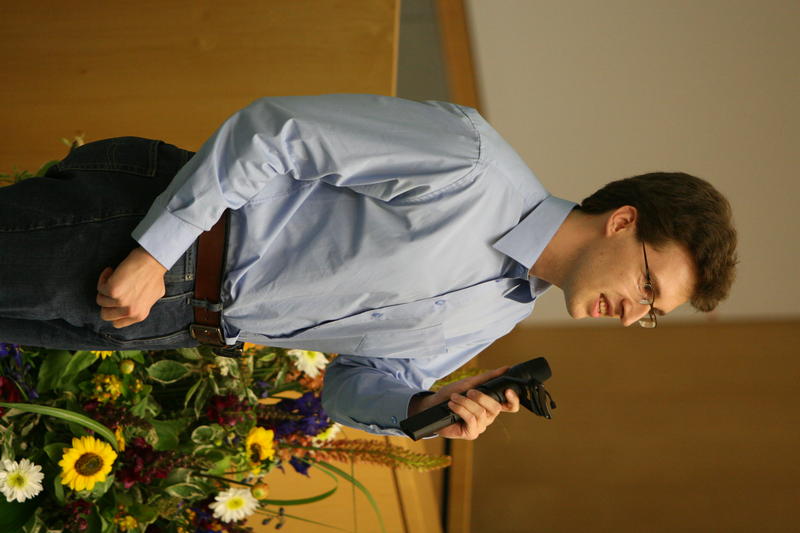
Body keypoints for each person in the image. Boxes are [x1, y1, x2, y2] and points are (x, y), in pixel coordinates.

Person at [0, 94, 737, 439]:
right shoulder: (473, 163)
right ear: (623, 221)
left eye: (652, 314)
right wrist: (156, 249)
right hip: (146, 232)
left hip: (164, 324)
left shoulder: (501, 313)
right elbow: (275, 131)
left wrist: (422, 406)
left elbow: (349, 384)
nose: (634, 313)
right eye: (647, 285)